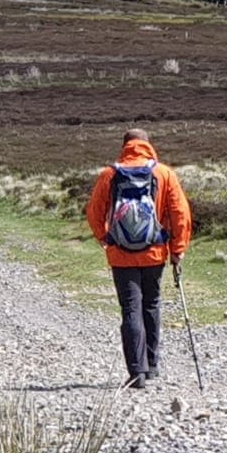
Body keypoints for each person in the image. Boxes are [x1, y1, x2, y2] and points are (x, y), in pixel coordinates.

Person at [86, 128, 192, 388]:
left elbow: (94, 212)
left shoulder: (110, 175)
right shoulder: (164, 173)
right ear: (147, 145)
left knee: (131, 309)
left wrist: (105, 238)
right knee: (151, 305)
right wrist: (177, 250)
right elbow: (181, 214)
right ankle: (152, 365)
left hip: (121, 256)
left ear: (124, 146)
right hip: (154, 252)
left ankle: (137, 372)